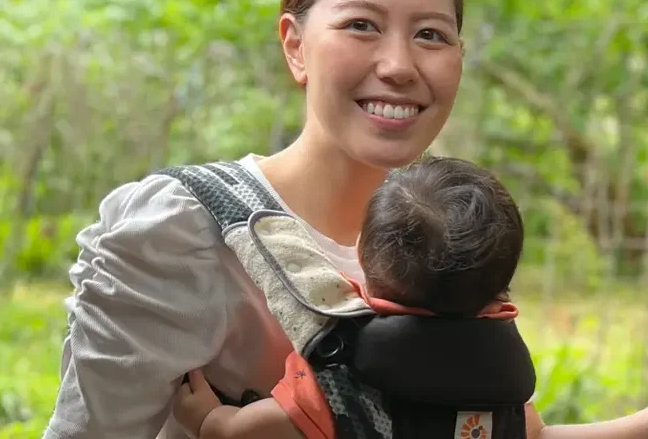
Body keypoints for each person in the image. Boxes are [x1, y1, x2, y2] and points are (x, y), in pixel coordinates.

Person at [42, 0, 648, 439]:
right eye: (361, 25)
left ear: (459, 59)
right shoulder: (181, 229)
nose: (400, 65)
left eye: (432, 34)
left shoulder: (448, 245)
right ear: (295, 47)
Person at [172, 155, 528, 439]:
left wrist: (209, 421)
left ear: (359, 254)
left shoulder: (343, 378)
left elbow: (247, 432)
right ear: (498, 300)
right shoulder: (502, 385)